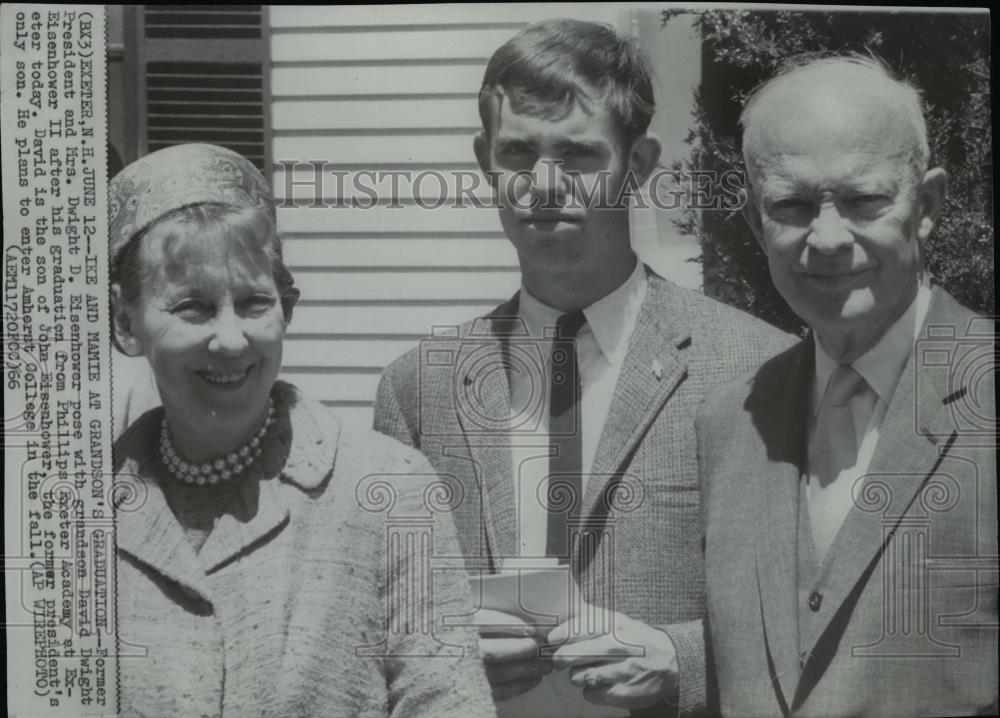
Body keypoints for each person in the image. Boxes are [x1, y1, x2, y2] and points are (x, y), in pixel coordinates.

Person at [374, 19, 791, 717]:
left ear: (639, 162)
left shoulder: (756, 368)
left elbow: (806, 609)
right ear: (484, 160)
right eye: (517, 153)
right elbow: (378, 606)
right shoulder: (419, 386)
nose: (544, 185)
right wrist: (436, 647)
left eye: (577, 154)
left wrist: (683, 661)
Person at [109, 143, 496, 718]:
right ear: (126, 322)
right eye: (193, 307)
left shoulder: (389, 489)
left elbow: (447, 704)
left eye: (253, 302)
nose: (232, 339)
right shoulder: (79, 509)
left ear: (286, 308)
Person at [697, 55, 998, 717]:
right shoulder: (727, 423)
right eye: (792, 205)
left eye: (863, 200)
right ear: (754, 223)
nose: (827, 239)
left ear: (927, 206)